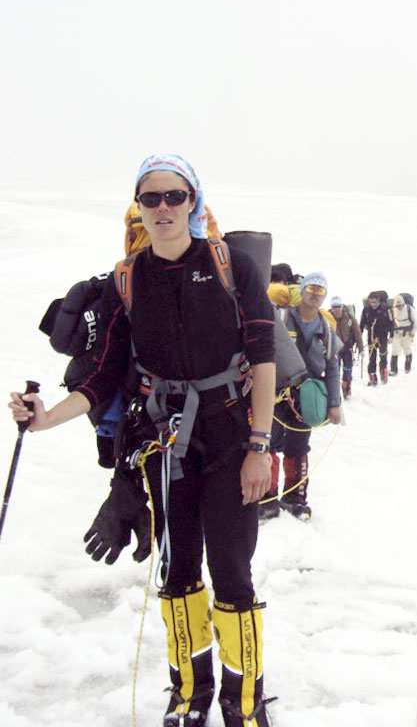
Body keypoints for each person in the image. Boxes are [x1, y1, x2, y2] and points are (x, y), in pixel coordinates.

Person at [9, 154, 276, 727]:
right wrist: (44, 417)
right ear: (139, 206)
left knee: (232, 572)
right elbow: (102, 375)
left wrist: (260, 447)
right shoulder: (129, 280)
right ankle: (189, 691)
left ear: (192, 201)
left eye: (173, 196)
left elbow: (263, 357)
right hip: (167, 443)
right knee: (178, 573)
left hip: (231, 437)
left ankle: (243, 700)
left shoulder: (233, 268)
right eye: (149, 198)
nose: (161, 208)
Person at [262, 272, 342, 521]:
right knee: (269, 444)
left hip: (306, 397)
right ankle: (267, 498)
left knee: (298, 447)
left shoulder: (326, 330)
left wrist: (335, 404)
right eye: (311, 288)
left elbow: (331, 368)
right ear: (302, 290)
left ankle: (294, 498)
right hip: (275, 392)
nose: (315, 294)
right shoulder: (282, 317)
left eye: (320, 290)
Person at [328, 296, 364, 398]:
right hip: (334, 349)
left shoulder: (350, 318)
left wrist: (361, 348)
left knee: (348, 369)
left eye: (338, 306)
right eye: (334, 307)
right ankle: (335, 393)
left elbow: (357, 333)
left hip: (348, 348)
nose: (336, 309)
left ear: (342, 306)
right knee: (335, 370)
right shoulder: (328, 317)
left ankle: (346, 388)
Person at [360, 292, 393, 383]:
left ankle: (383, 374)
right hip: (371, 336)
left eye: (374, 302)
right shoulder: (366, 310)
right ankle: (372, 377)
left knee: (383, 355)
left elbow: (391, 322)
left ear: (378, 300)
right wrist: (358, 336)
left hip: (383, 336)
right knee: (372, 358)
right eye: (371, 302)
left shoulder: (385, 309)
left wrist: (391, 336)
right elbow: (362, 324)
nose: (372, 304)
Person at [390, 294, 417, 374]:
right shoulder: (393, 310)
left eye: (400, 305)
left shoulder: (410, 309)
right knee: (395, 350)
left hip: (408, 333)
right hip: (397, 333)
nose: (399, 307)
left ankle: (407, 367)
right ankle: (393, 369)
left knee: (407, 350)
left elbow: (416, 322)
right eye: (397, 306)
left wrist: (413, 332)